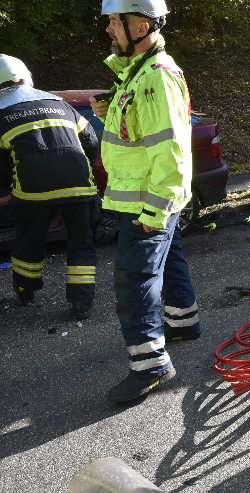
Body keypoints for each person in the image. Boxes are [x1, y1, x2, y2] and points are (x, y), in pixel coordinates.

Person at [90, 0, 200, 405]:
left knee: (135, 281)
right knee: (168, 260)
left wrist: (156, 210)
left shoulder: (154, 76)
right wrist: (108, 112)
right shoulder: (137, 75)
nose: (108, 29)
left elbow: (170, 150)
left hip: (146, 202)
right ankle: (184, 322)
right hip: (145, 199)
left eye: (114, 22)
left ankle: (149, 365)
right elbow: (136, 135)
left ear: (140, 26)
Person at [0, 54, 99, 318]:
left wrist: (5, 190)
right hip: (78, 185)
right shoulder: (60, 104)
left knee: (29, 239)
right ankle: (81, 303)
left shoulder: (1, 114)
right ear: (22, 76)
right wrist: (77, 171)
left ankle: (25, 289)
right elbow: (90, 139)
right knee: (81, 242)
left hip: (32, 191)